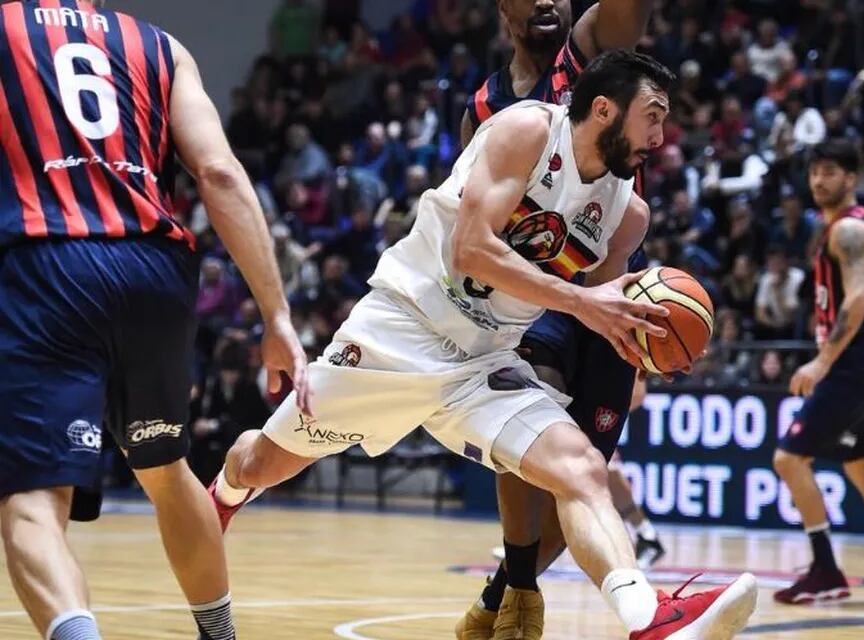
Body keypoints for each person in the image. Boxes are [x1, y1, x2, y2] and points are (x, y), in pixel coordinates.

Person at [209, 50, 759, 640]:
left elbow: (600, 309)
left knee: (582, 469)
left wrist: (643, 339)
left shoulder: (627, 217)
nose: (660, 134)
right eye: (652, 115)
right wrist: (582, 302)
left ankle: (649, 620)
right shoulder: (528, 130)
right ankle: (220, 496)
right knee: (260, 464)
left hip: (486, 362)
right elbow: (471, 250)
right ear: (603, 108)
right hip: (401, 330)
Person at [0, 2, 310, 639]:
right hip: (155, 271)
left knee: (33, 498)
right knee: (166, 471)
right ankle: (219, 636)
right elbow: (220, 173)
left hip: (48, 264)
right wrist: (276, 316)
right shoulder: (160, 46)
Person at [459, 2, 672, 636]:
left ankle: (506, 593)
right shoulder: (487, 105)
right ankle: (520, 590)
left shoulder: (584, 58)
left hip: (605, 270)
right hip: (533, 291)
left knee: (589, 472)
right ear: (506, 10)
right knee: (526, 432)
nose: (550, 0)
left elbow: (629, 11)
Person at [773, 139, 864, 605]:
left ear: (852, 178)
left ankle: (824, 570)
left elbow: (858, 299)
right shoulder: (847, 225)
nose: (819, 180)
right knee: (863, 466)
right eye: (815, 172)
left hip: (856, 357)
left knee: (789, 458)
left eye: (830, 172)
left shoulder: (848, 231)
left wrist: (822, 361)